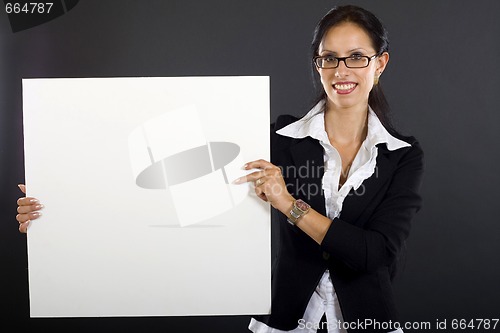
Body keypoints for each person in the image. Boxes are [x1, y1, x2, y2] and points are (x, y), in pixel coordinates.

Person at [17, 5, 424, 333]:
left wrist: (288, 203)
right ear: (317, 65)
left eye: (356, 57)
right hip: (284, 322)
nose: (341, 71)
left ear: (380, 63)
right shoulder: (277, 140)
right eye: (329, 58)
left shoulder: (402, 156)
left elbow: (375, 254)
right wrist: (58, 202)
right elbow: (165, 182)